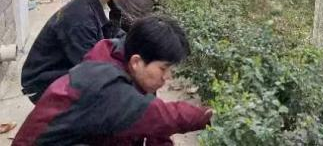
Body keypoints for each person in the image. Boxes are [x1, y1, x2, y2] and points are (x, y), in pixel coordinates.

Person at [13, 16, 213, 145]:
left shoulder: (120, 57)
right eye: (163, 68)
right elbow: (160, 116)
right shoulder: (106, 85)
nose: (167, 77)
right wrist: (210, 117)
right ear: (137, 62)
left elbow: (150, 126)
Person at [21, 0, 129, 104]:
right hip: (44, 84)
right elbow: (91, 68)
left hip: (68, 68)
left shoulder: (104, 1)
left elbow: (114, 33)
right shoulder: (80, 18)